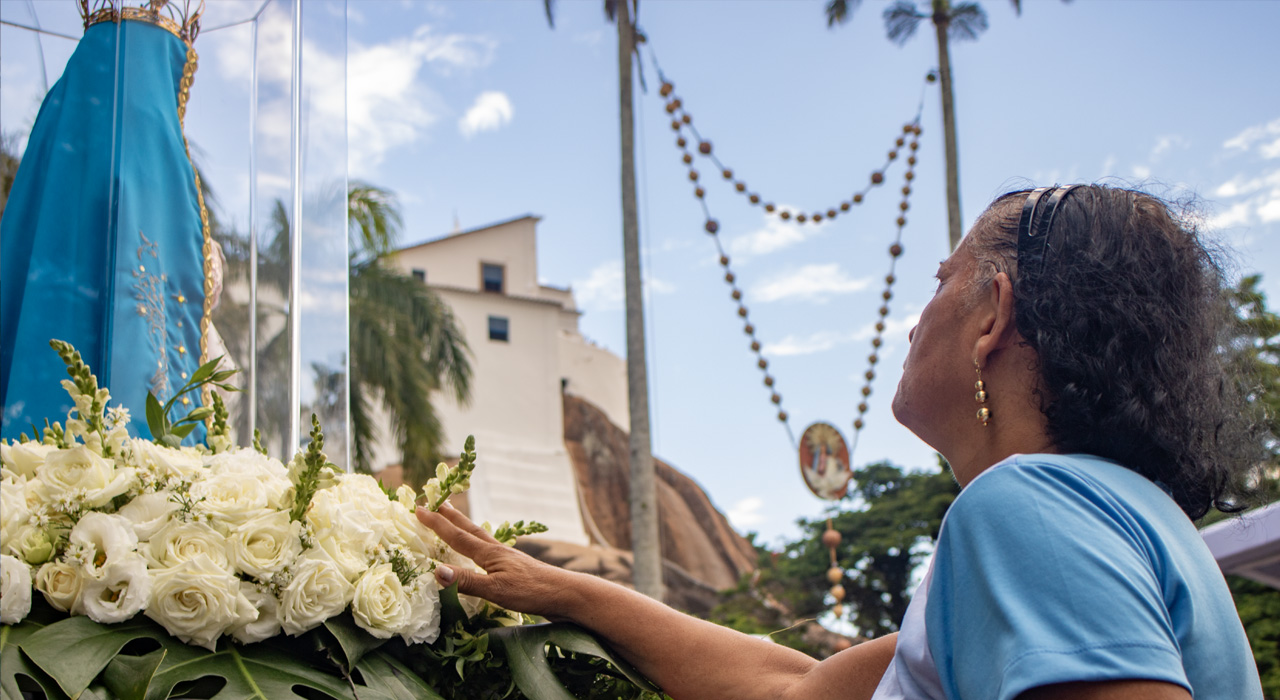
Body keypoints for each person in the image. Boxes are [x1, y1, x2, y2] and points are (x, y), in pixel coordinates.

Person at [418, 184, 1267, 700]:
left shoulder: (1026, 506)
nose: (915, 320)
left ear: (992, 316)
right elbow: (793, 688)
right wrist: (562, 590)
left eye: (942, 281)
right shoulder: (1123, 514)